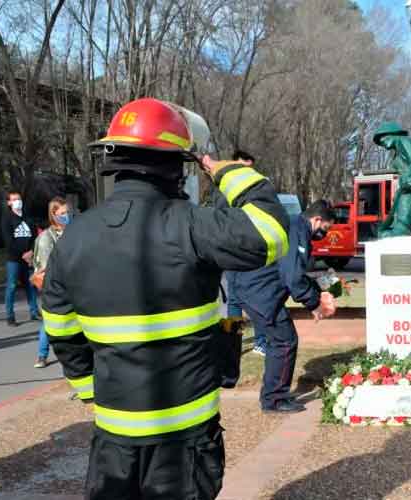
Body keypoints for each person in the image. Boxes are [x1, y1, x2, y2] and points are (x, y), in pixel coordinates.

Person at [41, 97, 289, 500]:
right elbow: (272, 233)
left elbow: (60, 328)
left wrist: (92, 390)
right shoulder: (192, 225)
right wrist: (225, 171)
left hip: (113, 438)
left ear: (114, 158)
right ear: (177, 165)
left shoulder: (74, 237)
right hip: (183, 442)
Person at [233, 201, 336, 413]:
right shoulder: (296, 231)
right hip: (259, 293)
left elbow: (295, 274)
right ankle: (274, 399)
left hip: (258, 291)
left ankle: (274, 394)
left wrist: (316, 295)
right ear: (316, 220)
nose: (324, 234)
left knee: (280, 340)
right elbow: (293, 276)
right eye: (325, 228)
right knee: (284, 341)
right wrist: (314, 303)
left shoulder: (296, 227)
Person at [223, 149, 262, 353]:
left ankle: (261, 342)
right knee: (235, 302)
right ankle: (233, 343)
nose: (247, 173)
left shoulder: (254, 190)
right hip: (232, 254)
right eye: (243, 167)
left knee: (254, 298)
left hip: (249, 252)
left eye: (250, 169)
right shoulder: (223, 189)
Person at [372, 121, 411, 237]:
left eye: (383, 139)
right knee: (399, 199)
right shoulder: (397, 152)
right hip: (409, 182)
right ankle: (401, 226)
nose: (383, 144)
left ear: (392, 134)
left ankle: (403, 227)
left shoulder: (405, 141)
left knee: (406, 198)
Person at [32, 197, 70, 368]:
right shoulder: (46, 238)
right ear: (53, 215)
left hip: (70, 283)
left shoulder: (71, 231)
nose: (66, 216)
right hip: (54, 286)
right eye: (62, 213)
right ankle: (42, 355)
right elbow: (47, 269)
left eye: (67, 212)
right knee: (50, 321)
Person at [1, 191, 40, 326]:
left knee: (31, 286)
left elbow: (35, 237)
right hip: (14, 259)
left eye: (19, 199)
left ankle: (34, 312)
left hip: (29, 259)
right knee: (11, 286)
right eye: (14, 199)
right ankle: (10, 316)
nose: (18, 201)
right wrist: (22, 255)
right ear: (9, 203)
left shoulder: (28, 218)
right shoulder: (7, 219)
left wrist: (31, 252)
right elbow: (8, 241)